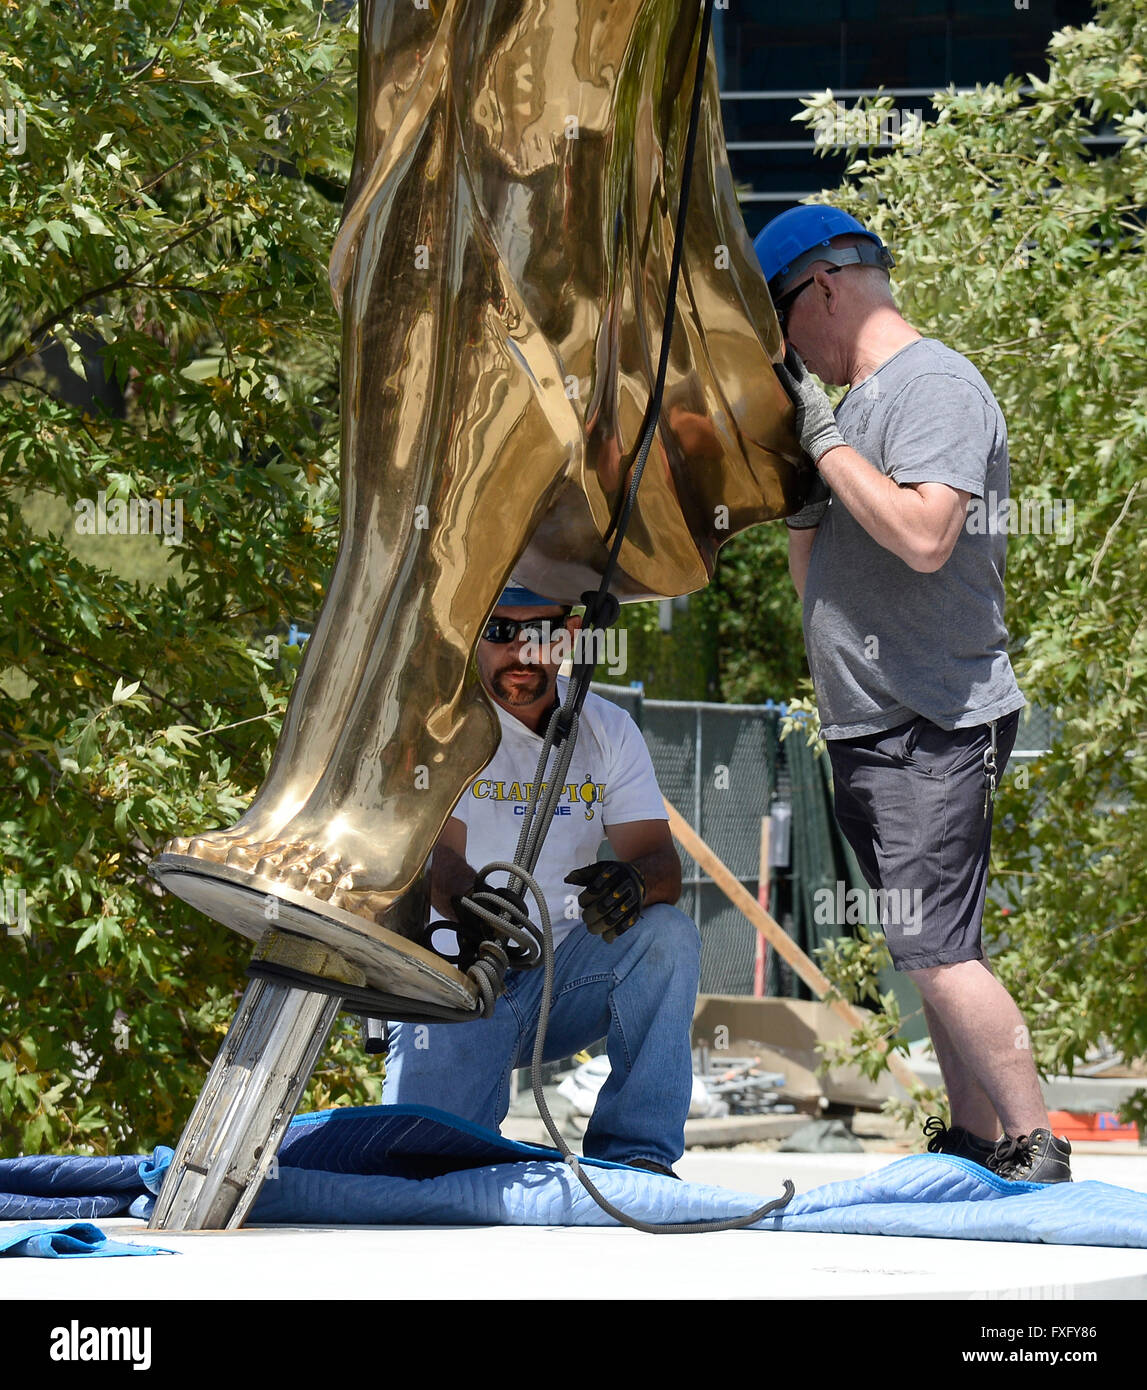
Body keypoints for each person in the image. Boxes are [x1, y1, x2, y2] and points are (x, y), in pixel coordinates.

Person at [754, 205, 1071, 1184]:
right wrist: (812, 481)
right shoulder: (853, 408)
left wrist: (822, 437)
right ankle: (978, 1141)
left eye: (780, 321)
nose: (786, 351)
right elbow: (830, 574)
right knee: (927, 939)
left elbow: (926, 534)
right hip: (873, 721)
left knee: (932, 943)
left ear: (823, 287)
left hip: (930, 716)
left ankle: (1032, 1142)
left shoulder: (932, 384)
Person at [381, 584, 700, 1176]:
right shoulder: (440, 728)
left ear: (571, 638)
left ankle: (637, 1158)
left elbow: (662, 864)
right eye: (501, 632)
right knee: (426, 1172)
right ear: (475, 637)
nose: (522, 652)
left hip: (561, 978)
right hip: (462, 980)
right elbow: (438, 856)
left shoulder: (609, 730)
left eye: (542, 635)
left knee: (668, 936)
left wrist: (631, 881)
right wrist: (471, 902)